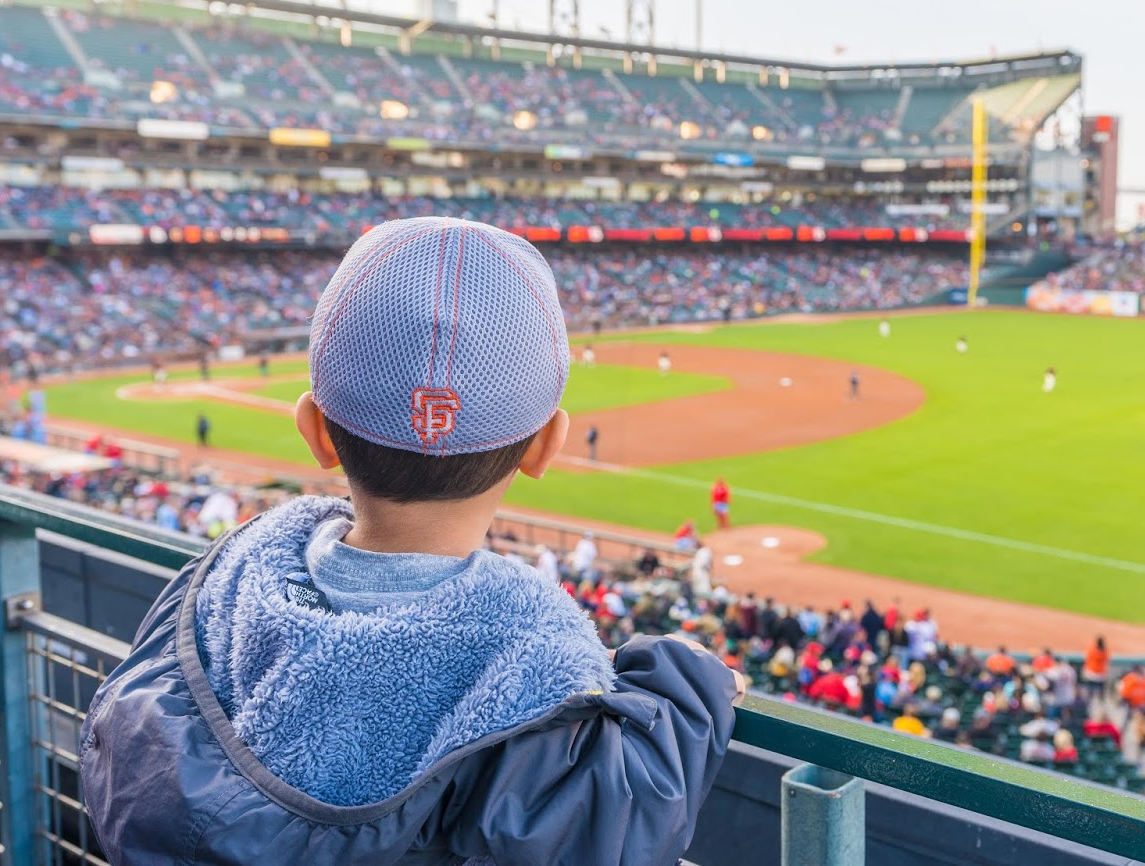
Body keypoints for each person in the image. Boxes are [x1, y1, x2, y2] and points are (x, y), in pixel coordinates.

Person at [79, 216, 742, 864]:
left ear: (314, 432)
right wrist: (690, 682)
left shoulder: (221, 582)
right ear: (546, 447)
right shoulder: (539, 660)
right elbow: (616, 829)